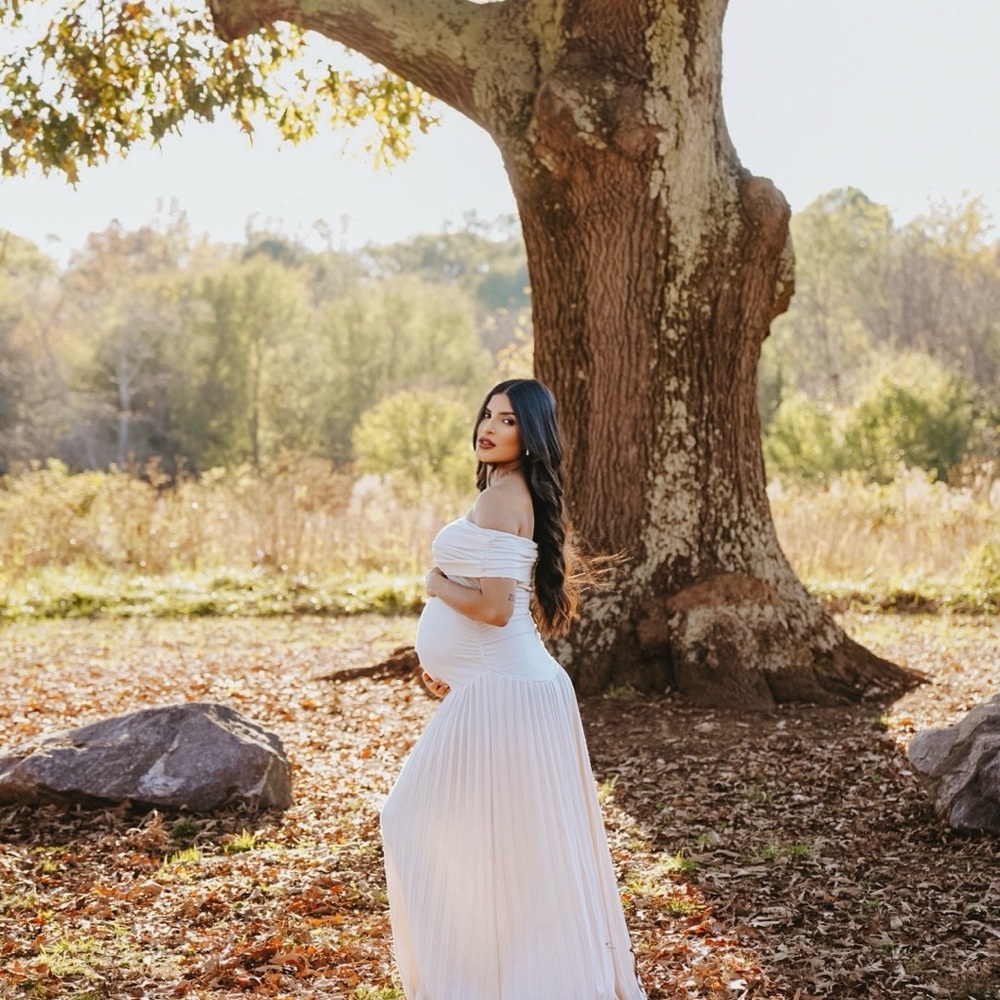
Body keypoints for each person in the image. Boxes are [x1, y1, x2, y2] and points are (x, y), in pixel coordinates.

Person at [380, 378, 646, 1000]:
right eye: (488, 414)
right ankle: (498, 977)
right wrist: (456, 665)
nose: (490, 426)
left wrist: (434, 584)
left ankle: (489, 981)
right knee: (509, 844)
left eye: (509, 420)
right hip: (498, 686)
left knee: (415, 817)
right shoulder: (505, 491)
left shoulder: (504, 499)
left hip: (507, 689)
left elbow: (497, 609)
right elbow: (503, 612)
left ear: (531, 437)